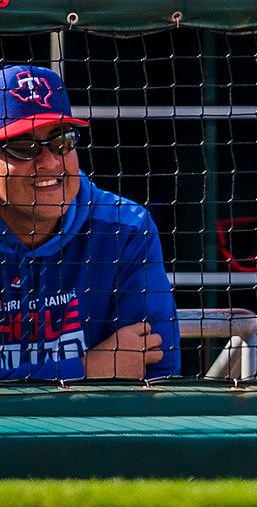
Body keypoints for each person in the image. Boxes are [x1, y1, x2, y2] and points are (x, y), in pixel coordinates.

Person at [0, 64, 179, 381]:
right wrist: (85, 369)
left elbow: (156, 370)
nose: (51, 161)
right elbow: (118, 371)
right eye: (24, 147)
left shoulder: (126, 228)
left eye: (62, 140)